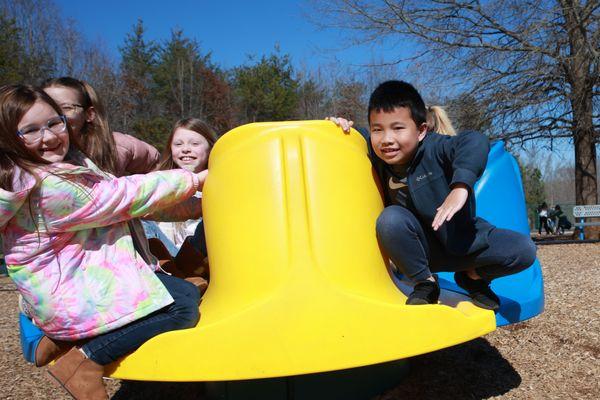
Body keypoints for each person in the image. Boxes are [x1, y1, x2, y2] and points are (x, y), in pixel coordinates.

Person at [0, 85, 206, 399]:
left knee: (184, 289)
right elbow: (119, 196)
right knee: (181, 308)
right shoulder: (46, 188)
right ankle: (83, 361)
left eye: (55, 123)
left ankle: (67, 337)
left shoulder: (62, 164)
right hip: (72, 291)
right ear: (9, 138)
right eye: (30, 130)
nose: (49, 136)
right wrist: (194, 180)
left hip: (82, 278)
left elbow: (134, 179)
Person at [329, 80, 536, 310]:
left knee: (523, 250)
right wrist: (338, 129)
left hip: (464, 242)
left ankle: (472, 277)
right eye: (378, 129)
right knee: (391, 219)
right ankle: (425, 282)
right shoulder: (376, 154)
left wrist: (461, 186)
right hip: (418, 251)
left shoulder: (436, 148)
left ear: (421, 131)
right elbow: (354, 139)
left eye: (398, 128)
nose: (386, 139)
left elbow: (474, 140)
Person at [42, 77, 160, 177]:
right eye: (48, 107)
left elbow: (158, 165)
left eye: (66, 107)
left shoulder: (117, 145)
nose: (56, 115)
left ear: (89, 114)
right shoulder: (33, 149)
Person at [145, 118, 216, 281]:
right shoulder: (158, 180)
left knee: (209, 222)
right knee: (138, 215)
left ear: (210, 147)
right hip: (167, 256)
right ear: (170, 148)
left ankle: (186, 276)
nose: (185, 149)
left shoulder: (217, 184)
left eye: (194, 144)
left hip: (199, 258)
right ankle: (172, 274)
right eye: (178, 144)